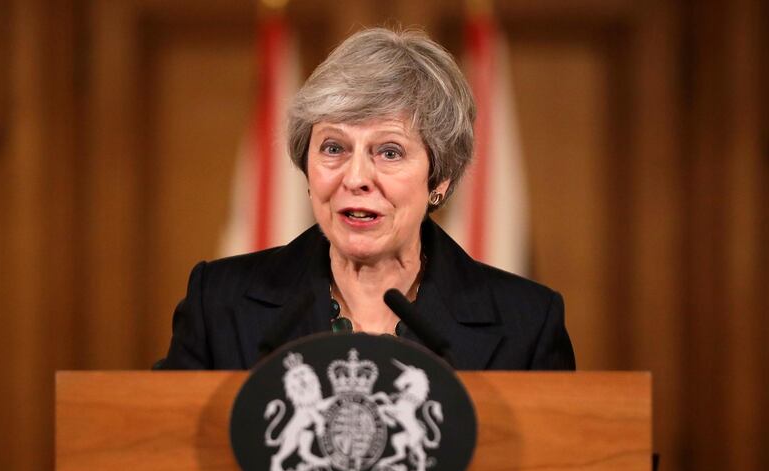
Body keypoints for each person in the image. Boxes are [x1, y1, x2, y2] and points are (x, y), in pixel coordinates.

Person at [160, 27, 575, 370]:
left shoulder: (527, 323)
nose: (356, 178)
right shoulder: (218, 302)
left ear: (441, 178)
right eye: (334, 149)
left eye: (389, 152)